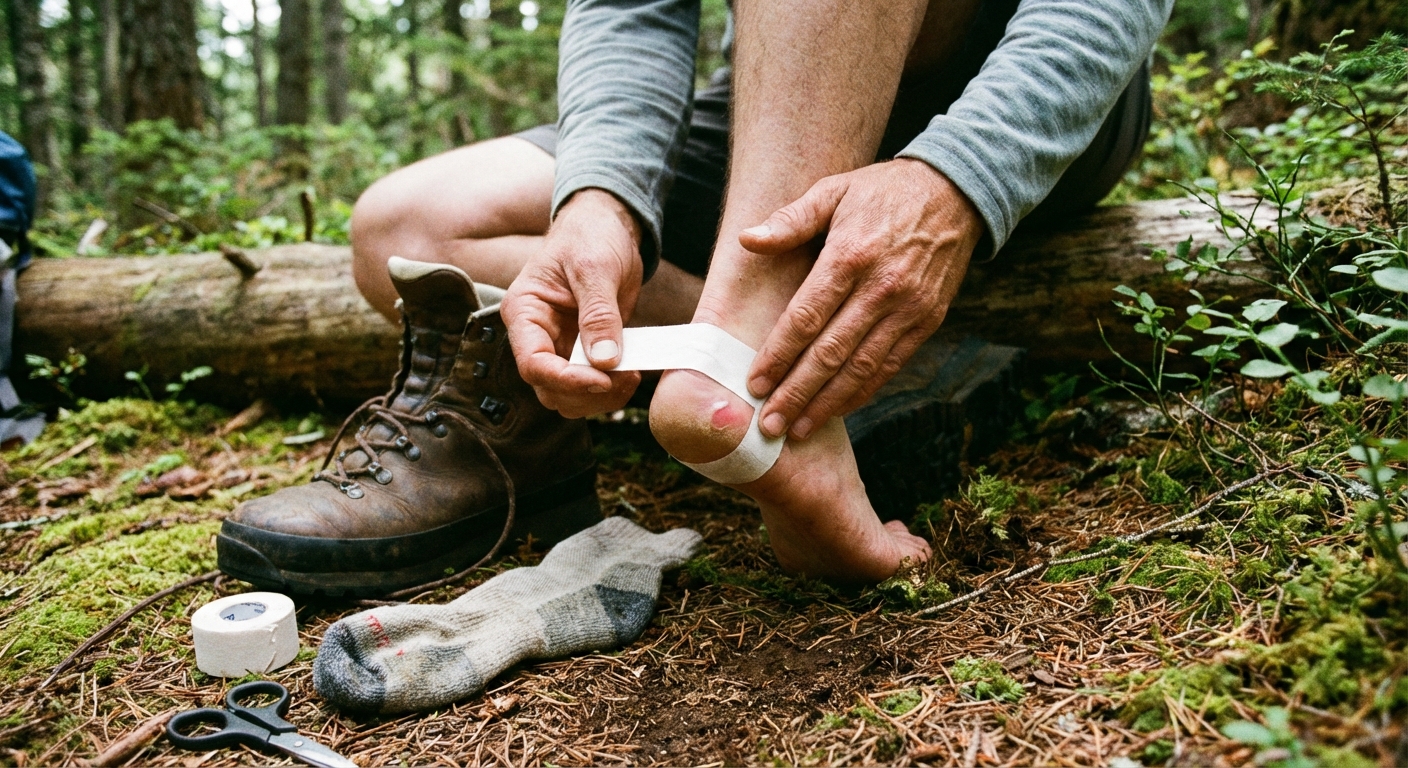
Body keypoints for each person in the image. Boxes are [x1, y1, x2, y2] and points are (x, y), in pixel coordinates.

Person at [218, 0, 1171, 595]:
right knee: (408, 230)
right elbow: (635, 7)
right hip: (785, 87)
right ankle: (807, 372)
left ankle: (759, 392)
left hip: (1016, 75)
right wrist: (598, 196)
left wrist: (964, 174)